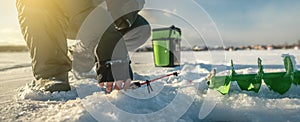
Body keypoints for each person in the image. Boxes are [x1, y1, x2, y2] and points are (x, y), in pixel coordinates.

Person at [16, 0, 151, 93]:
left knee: (140, 28)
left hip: (92, 11)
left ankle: (82, 51)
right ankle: (52, 71)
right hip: (54, 10)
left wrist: (121, 18)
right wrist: (106, 32)